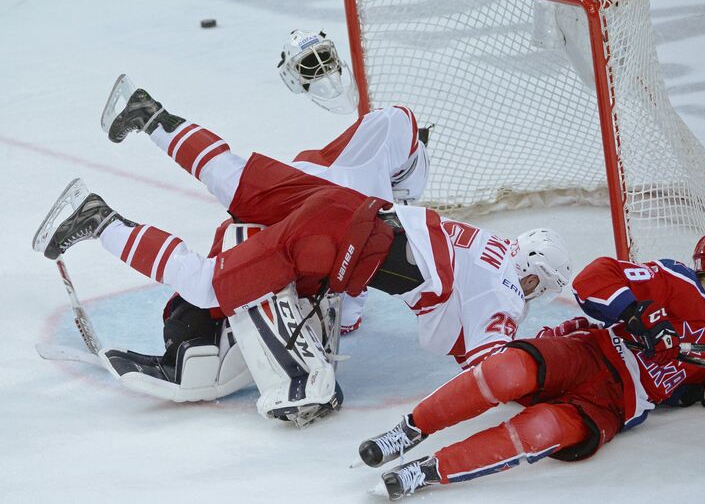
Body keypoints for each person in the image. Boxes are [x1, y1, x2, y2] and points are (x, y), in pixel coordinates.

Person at [33, 77, 571, 423]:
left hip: (341, 201)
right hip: (338, 238)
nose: (529, 297)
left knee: (230, 174)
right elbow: (495, 369)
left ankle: (147, 112)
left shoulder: (485, 242)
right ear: (530, 274)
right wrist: (555, 375)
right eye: (535, 286)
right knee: (207, 282)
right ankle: (98, 220)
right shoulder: (506, 293)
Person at [357, 230, 705, 500]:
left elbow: (674, 391)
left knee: (542, 430)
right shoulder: (675, 279)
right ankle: (408, 431)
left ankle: (427, 471)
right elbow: (595, 277)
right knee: (506, 371)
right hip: (590, 353)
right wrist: (640, 314)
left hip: (616, 405)